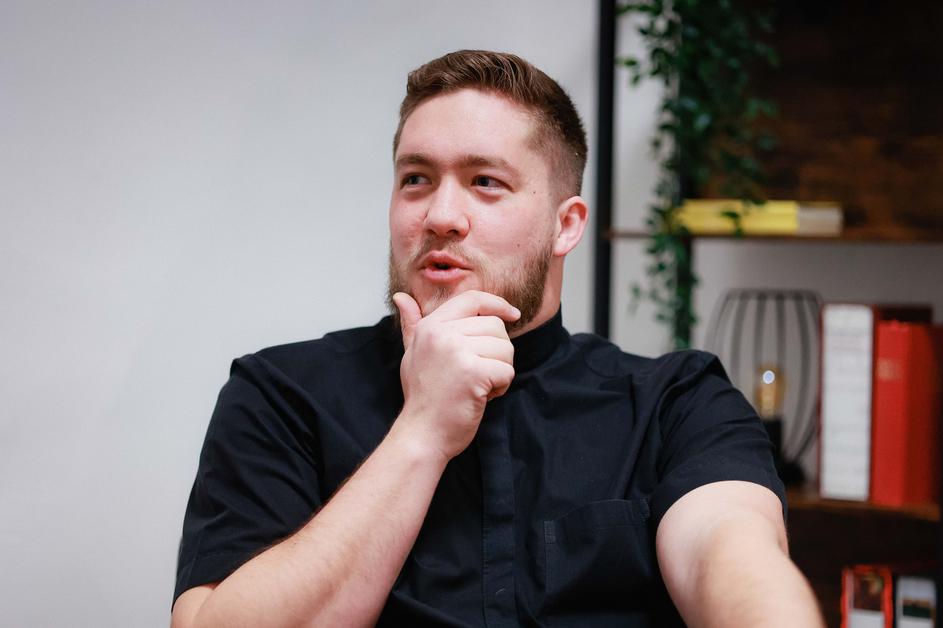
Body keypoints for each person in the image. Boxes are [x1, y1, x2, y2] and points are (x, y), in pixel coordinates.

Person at [171, 50, 823, 627]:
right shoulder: (280, 393)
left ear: (565, 225)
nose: (440, 216)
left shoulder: (675, 402)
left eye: (485, 182)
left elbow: (732, 559)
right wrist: (422, 431)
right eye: (416, 179)